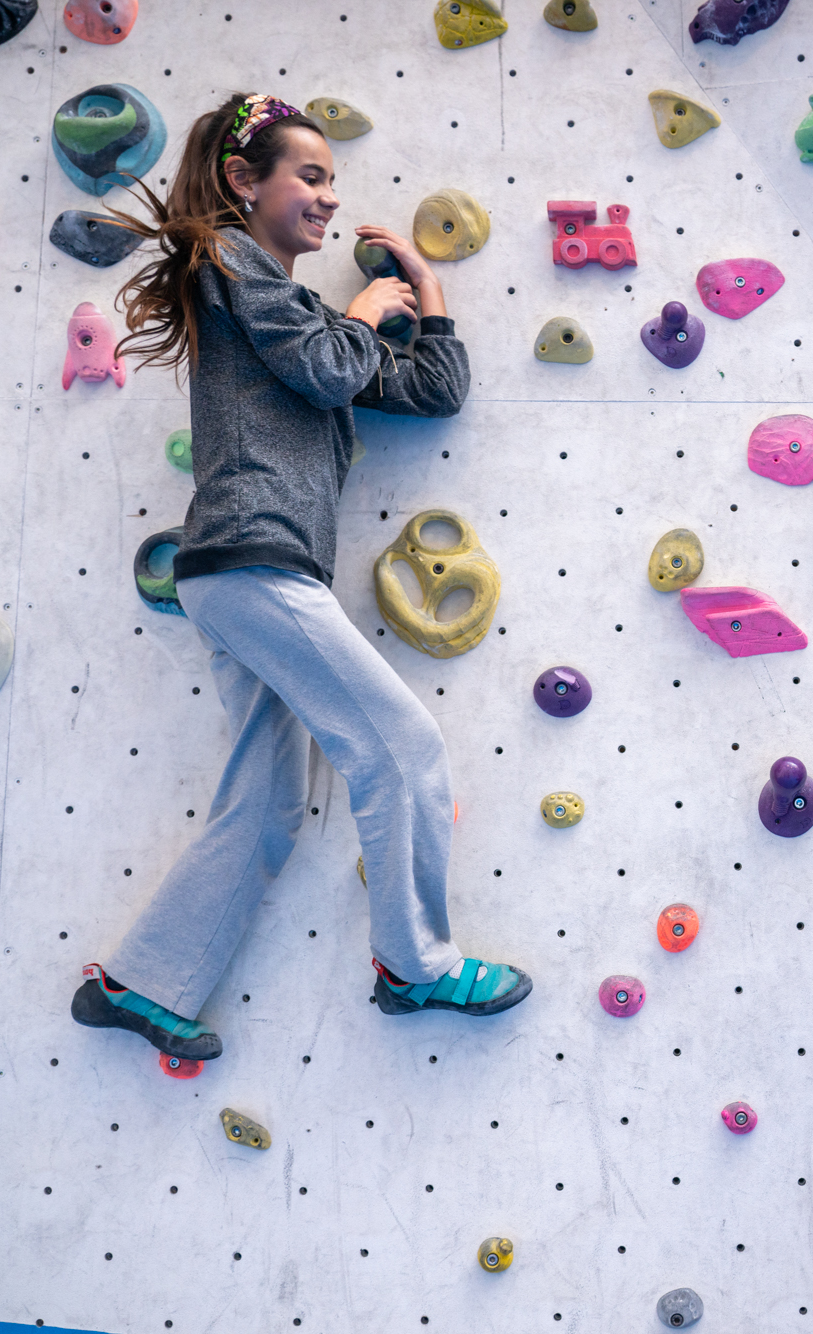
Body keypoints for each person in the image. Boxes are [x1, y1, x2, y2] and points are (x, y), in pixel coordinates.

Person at [69, 92, 531, 1065]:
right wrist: (363, 313)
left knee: (271, 796)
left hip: (239, 574)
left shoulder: (298, 317)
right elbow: (328, 366)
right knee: (399, 745)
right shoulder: (230, 260)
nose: (328, 198)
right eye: (310, 176)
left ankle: (143, 981)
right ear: (245, 181)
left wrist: (423, 292)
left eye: (331, 180)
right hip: (253, 560)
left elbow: (429, 391)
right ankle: (415, 962)